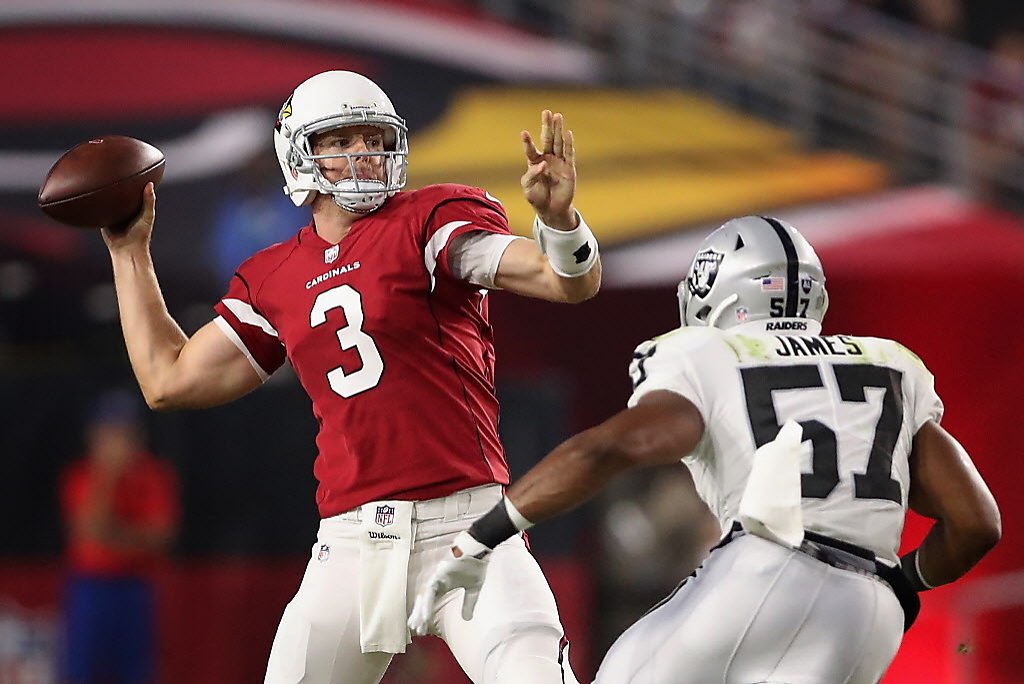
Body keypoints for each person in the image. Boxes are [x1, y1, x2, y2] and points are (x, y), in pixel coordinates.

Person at [100, 70, 599, 683]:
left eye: (375, 139)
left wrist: (561, 222)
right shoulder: (274, 275)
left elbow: (563, 281)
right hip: (353, 540)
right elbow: (167, 379)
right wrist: (129, 254)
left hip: (470, 527)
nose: (364, 153)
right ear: (299, 154)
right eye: (343, 140)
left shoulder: (429, 218)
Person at [412, 215, 1002, 683]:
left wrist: (481, 535)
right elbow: (977, 523)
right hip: (869, 616)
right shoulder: (888, 364)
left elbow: (611, 450)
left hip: (772, 568)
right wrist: (905, 581)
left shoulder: (710, 353)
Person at [60, 389, 179, 684]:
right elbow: (90, 531)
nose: (118, 443)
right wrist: (108, 477)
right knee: (83, 670)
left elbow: (161, 536)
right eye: (110, 433)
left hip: (135, 586)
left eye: (124, 434)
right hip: (91, 587)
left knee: (137, 671)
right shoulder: (82, 476)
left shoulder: (154, 475)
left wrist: (115, 538)